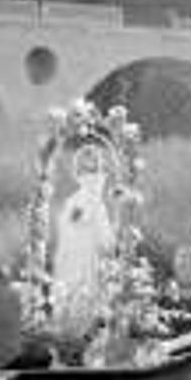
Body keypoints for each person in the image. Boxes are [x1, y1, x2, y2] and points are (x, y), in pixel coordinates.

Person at [52, 144, 116, 337]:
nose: (91, 175)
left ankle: (82, 339)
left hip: (88, 261)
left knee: (87, 302)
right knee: (77, 300)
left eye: (94, 168)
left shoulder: (90, 201)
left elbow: (106, 240)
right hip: (75, 262)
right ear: (78, 172)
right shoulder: (75, 202)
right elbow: (68, 233)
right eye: (86, 168)